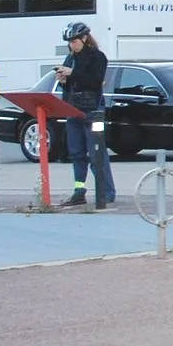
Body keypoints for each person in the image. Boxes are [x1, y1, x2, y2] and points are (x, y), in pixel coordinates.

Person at [56, 21, 115, 210]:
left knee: (96, 153)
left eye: (74, 41)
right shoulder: (70, 59)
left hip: (91, 110)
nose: (71, 45)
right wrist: (64, 80)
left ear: (84, 38)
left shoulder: (97, 57)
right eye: (69, 42)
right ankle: (79, 191)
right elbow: (70, 84)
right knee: (76, 153)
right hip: (72, 109)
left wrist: (73, 73)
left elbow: (95, 81)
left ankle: (106, 192)